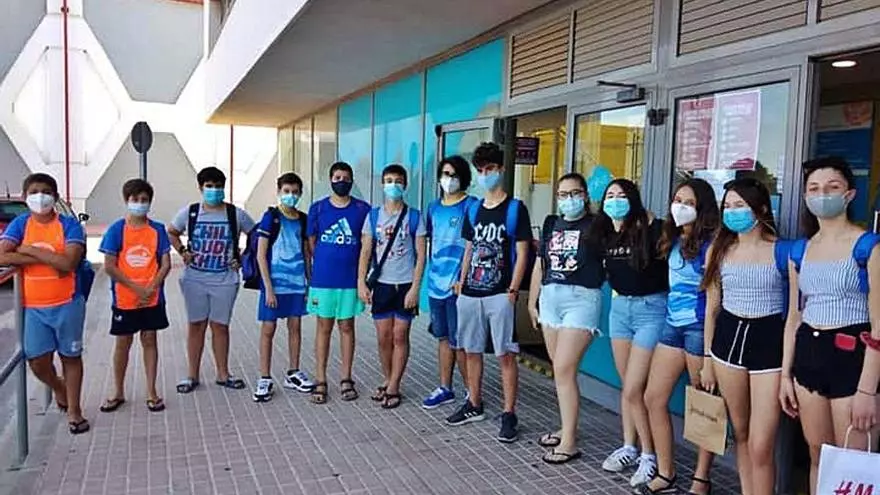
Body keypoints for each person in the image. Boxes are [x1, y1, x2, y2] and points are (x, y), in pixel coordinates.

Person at [780, 157, 880, 493]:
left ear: (849, 194)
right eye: (814, 188)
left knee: (853, 463)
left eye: (832, 187)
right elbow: (794, 317)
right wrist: (785, 376)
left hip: (853, 359)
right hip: (809, 355)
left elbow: (879, 324)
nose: (822, 194)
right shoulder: (800, 250)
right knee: (818, 455)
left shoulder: (869, 247)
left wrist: (867, 390)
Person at [701, 177, 786, 495]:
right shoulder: (719, 250)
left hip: (769, 345)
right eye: (728, 206)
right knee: (741, 432)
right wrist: (707, 360)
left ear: (760, 208)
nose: (732, 212)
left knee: (762, 443)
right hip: (727, 344)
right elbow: (711, 309)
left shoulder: (782, 251)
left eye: (740, 205)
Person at [446, 142, 532, 444]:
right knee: (471, 350)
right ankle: (474, 402)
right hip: (471, 292)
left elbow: (523, 252)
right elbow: (469, 248)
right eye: (481, 170)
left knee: (505, 354)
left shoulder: (515, 209)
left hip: (500, 293)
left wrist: (513, 290)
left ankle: (509, 413)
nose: (486, 175)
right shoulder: (473, 208)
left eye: (490, 169)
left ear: (501, 169)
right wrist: (461, 282)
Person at [642, 178, 718, 495]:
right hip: (671, 326)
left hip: (699, 329)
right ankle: (666, 472)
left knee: (704, 405)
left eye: (688, 202)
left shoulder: (711, 245)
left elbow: (714, 302)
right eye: (677, 200)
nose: (680, 207)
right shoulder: (672, 238)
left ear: (702, 208)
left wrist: (710, 356)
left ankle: (701, 478)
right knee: (653, 398)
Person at [0, 173, 89, 434]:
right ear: (25, 196)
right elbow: (2, 255)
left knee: (71, 356)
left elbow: (68, 263)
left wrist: (28, 250)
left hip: (67, 303)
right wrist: (50, 257)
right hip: (34, 308)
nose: (40, 197)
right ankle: (59, 387)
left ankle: (74, 411)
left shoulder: (69, 225)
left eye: (46, 191)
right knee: (37, 361)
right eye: (34, 192)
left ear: (56, 196)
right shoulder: (20, 224)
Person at [593, 179, 668, 486]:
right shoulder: (606, 231)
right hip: (620, 310)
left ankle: (649, 456)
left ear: (633, 198)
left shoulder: (654, 228)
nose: (615, 200)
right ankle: (629, 446)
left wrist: (647, 219)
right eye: (610, 196)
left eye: (621, 195)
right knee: (628, 386)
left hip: (651, 309)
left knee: (635, 388)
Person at [527, 172, 602, 464]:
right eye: (563, 194)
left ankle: (569, 443)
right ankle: (567, 428)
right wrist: (532, 301)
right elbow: (540, 264)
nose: (568, 199)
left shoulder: (597, 225)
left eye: (574, 193)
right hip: (550, 298)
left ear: (585, 195)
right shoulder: (550, 223)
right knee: (561, 372)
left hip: (581, 299)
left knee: (563, 368)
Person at [168, 166, 256, 393]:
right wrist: (182, 251)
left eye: (218, 186)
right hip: (194, 279)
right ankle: (192, 375)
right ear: (200, 187)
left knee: (220, 326)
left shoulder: (235, 214)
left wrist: (243, 257)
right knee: (196, 325)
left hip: (225, 280)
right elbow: (171, 231)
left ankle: (223, 374)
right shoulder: (190, 212)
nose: (214, 190)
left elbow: (256, 235)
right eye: (209, 186)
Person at [98, 179, 172, 413]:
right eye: (135, 199)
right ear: (126, 200)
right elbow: (109, 266)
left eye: (144, 199)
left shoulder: (157, 229)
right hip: (125, 300)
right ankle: (118, 391)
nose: (140, 203)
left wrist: (150, 288)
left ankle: (151, 391)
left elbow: (165, 263)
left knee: (150, 341)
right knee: (123, 343)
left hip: (153, 299)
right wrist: (136, 289)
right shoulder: (116, 230)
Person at [358, 164, 426, 409]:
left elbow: (421, 255)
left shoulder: (414, 216)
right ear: (382, 184)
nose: (393, 185)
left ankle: (395, 385)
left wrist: (415, 288)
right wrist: (361, 282)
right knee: (383, 337)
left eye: (397, 181)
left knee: (400, 335)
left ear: (405, 185)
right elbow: (365, 251)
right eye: (388, 181)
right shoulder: (373, 216)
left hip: (405, 284)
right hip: (382, 285)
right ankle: (387, 378)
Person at [307, 161, 371, 404]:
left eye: (346, 178)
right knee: (323, 327)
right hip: (323, 280)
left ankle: (346, 378)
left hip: (350, 281)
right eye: (337, 178)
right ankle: (320, 379)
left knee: (346, 327)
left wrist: (362, 278)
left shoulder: (362, 209)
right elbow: (311, 242)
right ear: (330, 180)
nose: (341, 182)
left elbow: (366, 244)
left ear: (352, 181)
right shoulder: (318, 208)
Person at [252, 172, 315, 402]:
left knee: (295, 326)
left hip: (296, 284)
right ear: (279, 192)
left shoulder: (303, 219)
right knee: (268, 329)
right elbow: (261, 255)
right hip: (274, 284)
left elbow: (307, 255)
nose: (291, 195)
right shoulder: (271, 217)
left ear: (300, 193)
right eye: (286, 191)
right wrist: (268, 288)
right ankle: (264, 377)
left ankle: (293, 372)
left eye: (295, 192)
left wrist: (309, 283)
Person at [422, 156, 474, 409]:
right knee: (443, 338)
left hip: (458, 286)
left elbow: (472, 245)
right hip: (435, 285)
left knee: (460, 342)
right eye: (445, 174)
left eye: (454, 175)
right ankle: (445, 387)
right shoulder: (433, 207)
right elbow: (430, 241)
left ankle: (471, 392)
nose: (449, 179)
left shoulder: (470, 206)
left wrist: (463, 279)